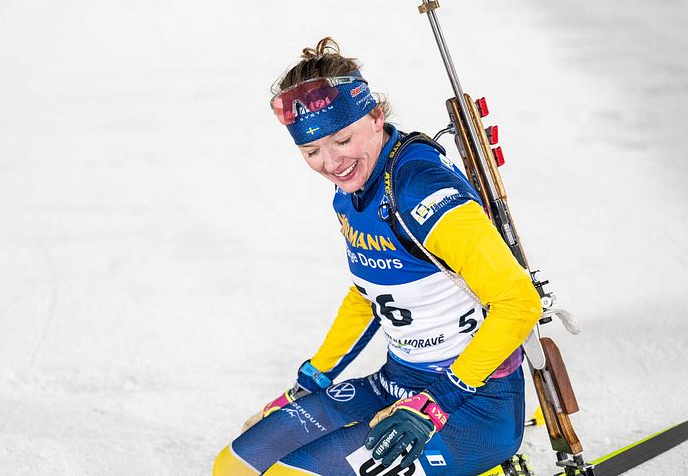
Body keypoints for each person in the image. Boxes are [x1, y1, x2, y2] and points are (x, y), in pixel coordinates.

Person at [213, 37, 542, 476]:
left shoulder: (421, 189)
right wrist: (310, 381)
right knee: (231, 468)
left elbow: (519, 301)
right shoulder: (352, 192)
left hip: (472, 406)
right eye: (312, 151)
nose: (332, 163)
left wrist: (436, 403)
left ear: (376, 117)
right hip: (397, 384)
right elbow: (368, 295)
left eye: (342, 139)